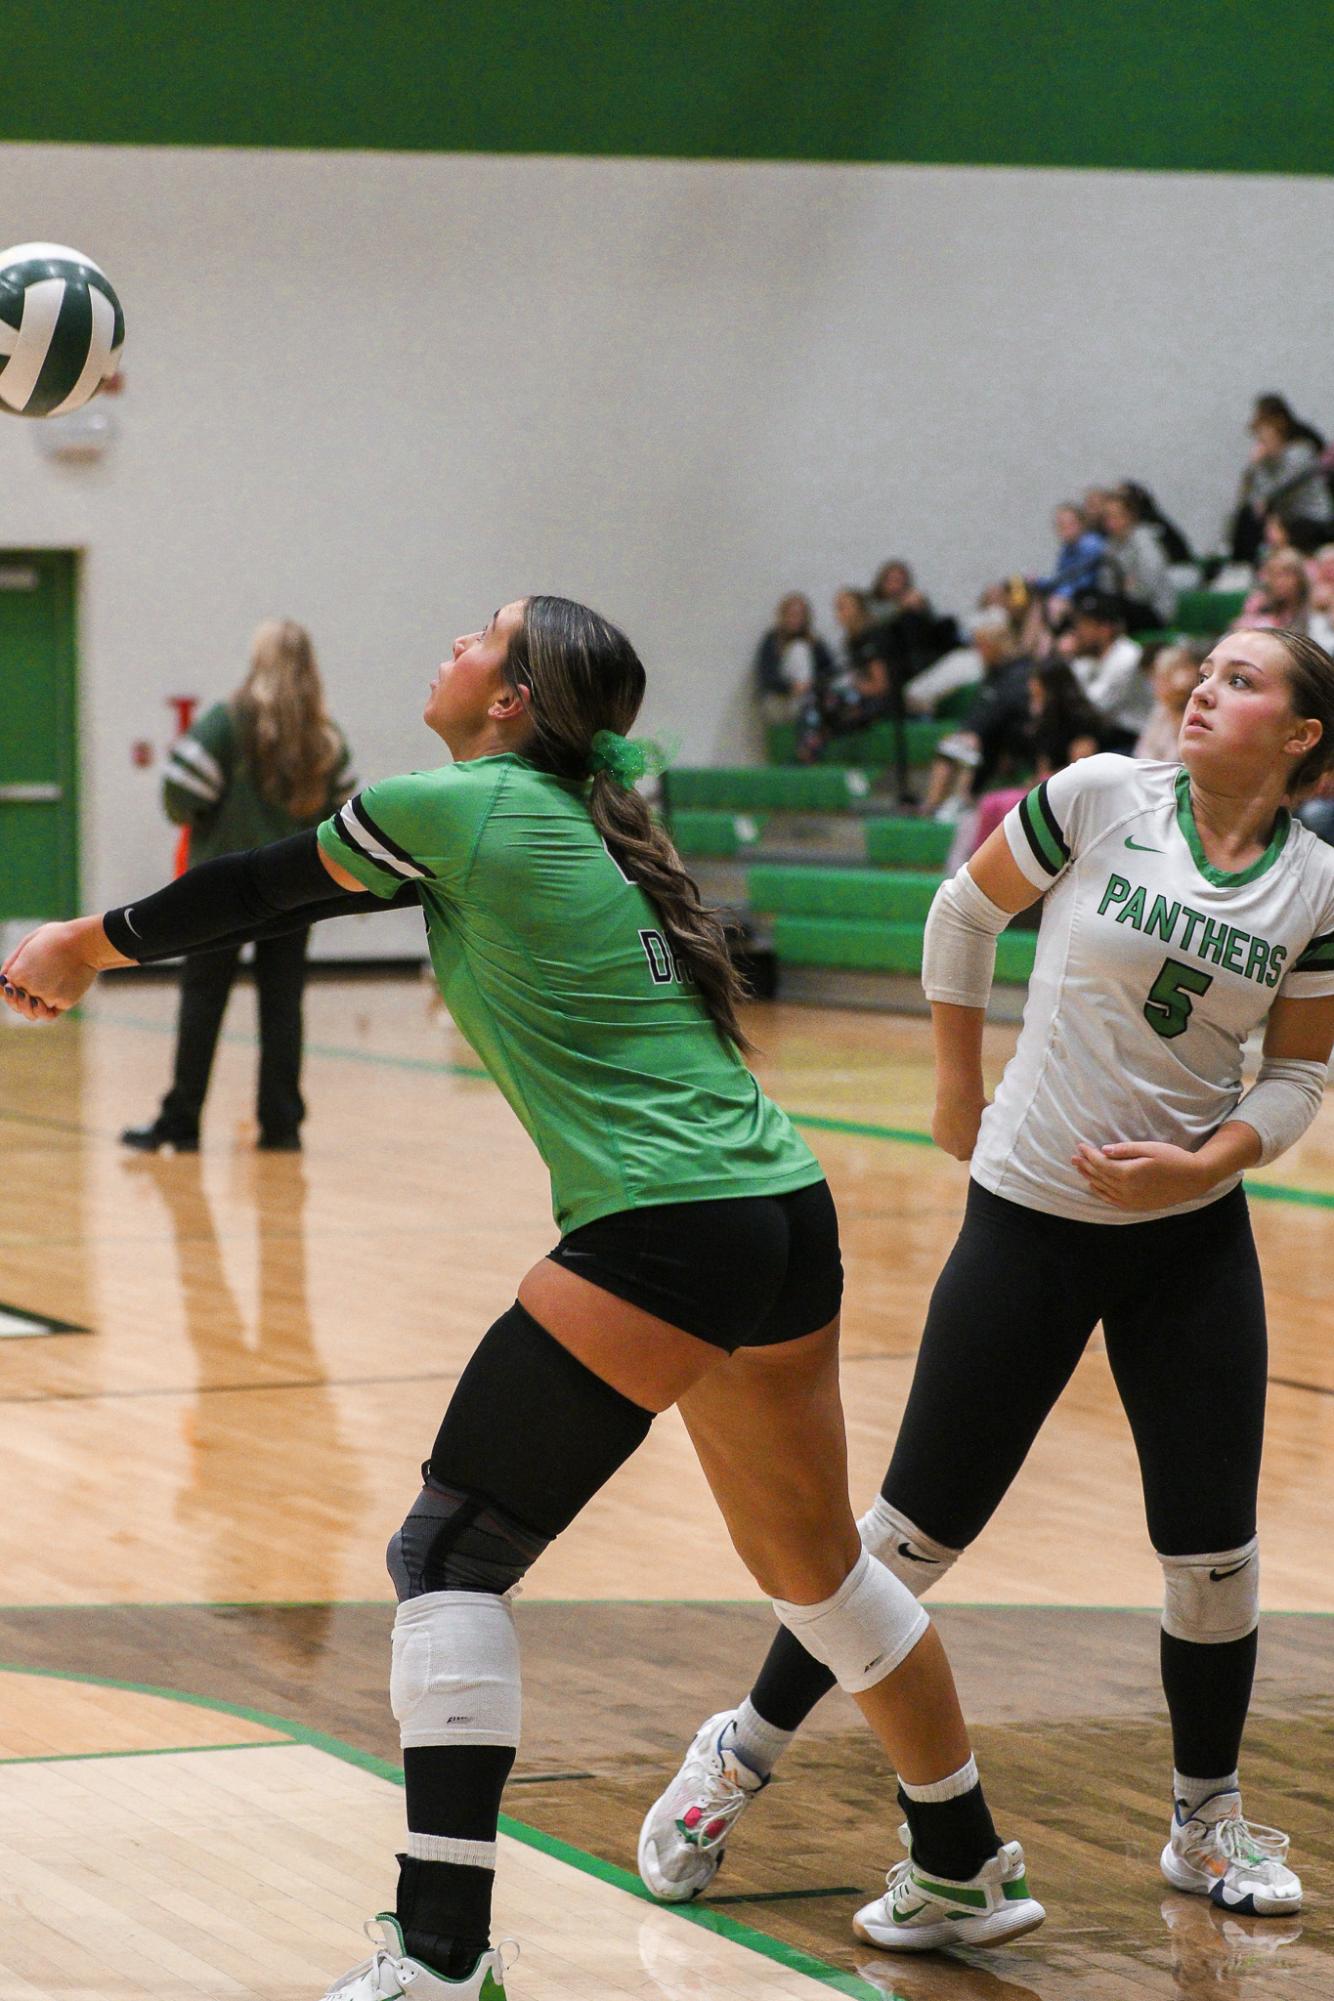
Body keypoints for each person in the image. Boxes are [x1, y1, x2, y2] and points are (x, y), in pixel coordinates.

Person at [1, 595, 1046, 1993]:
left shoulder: (468, 805)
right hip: (778, 1209)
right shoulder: (548, 817)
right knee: (815, 1570)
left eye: (478, 635)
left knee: (448, 1557)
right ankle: (963, 1860)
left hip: (666, 1225)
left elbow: (259, 887)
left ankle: (439, 1956)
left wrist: (82, 937)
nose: (446, 641)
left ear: (512, 699)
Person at [638, 625, 1334, 1928]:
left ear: (1299, 737)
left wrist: (1207, 1166)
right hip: (1028, 1218)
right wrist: (956, 1082)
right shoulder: (1095, 796)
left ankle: (1204, 1821)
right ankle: (732, 1758)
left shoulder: (1315, 888)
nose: (1203, 687)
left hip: (1190, 1242)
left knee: (1214, 1556)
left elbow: (1297, 1075)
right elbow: (963, 912)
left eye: (1244, 681)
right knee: (903, 1541)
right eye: (1207, 667)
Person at [120, 619, 356, 1153]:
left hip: (219, 888)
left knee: (202, 999)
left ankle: (181, 1121)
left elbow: (179, 795)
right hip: (300, 887)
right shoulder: (324, 735)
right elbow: (347, 813)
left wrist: (210, 821)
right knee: (283, 1004)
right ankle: (282, 1125)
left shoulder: (227, 723)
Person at [1230, 397, 1332, 564]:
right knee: (1247, 517)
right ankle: (1240, 565)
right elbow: (1253, 499)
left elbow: (1274, 488)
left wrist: (1258, 466)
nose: (1260, 445)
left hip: (1311, 519)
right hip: (1285, 519)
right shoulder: (1269, 463)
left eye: (1264, 439)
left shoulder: (1301, 452)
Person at [1061, 589, 1151, 751]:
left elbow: (1095, 707)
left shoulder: (1127, 656)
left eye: (1085, 625)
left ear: (1105, 629)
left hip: (1134, 737)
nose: (1077, 632)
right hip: (1109, 732)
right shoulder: (1090, 656)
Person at [1098, 488, 1177, 630]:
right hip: (1123, 603)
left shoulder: (1143, 539)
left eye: (1115, 516)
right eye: (1107, 518)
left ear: (1130, 516)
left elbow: (1149, 581)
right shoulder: (1111, 545)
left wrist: (1128, 589)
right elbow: (1107, 583)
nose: (1111, 523)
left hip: (1153, 609)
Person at [752, 592, 833, 724]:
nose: (795, 619)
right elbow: (767, 676)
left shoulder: (814, 641)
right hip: (779, 700)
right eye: (791, 615)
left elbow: (829, 670)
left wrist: (810, 684)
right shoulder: (772, 640)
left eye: (800, 615)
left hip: (807, 698)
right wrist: (791, 687)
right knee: (798, 650)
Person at [1135, 642, 1204, 761]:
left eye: (1162, 678)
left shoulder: (1196, 713)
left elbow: (1183, 762)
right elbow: (1142, 754)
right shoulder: (1161, 708)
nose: (1154, 684)